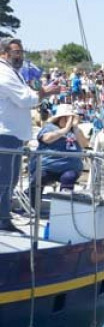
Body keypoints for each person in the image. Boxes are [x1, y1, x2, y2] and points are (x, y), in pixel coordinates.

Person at [1, 37, 61, 233]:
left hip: (13, 135)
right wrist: (45, 92)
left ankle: (4, 218)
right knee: (5, 180)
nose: (20, 56)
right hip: (5, 134)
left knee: (9, 180)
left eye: (21, 52)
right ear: (4, 53)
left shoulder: (12, 72)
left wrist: (40, 92)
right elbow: (25, 99)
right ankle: (2, 220)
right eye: (16, 52)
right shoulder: (4, 73)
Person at [30, 104, 89, 200]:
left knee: (69, 177)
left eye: (71, 118)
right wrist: (64, 130)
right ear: (59, 118)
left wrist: (75, 128)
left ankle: (62, 207)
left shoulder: (76, 131)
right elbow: (46, 139)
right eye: (66, 118)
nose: (69, 121)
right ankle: (32, 206)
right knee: (39, 178)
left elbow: (84, 144)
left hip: (69, 167)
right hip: (48, 167)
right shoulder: (49, 127)